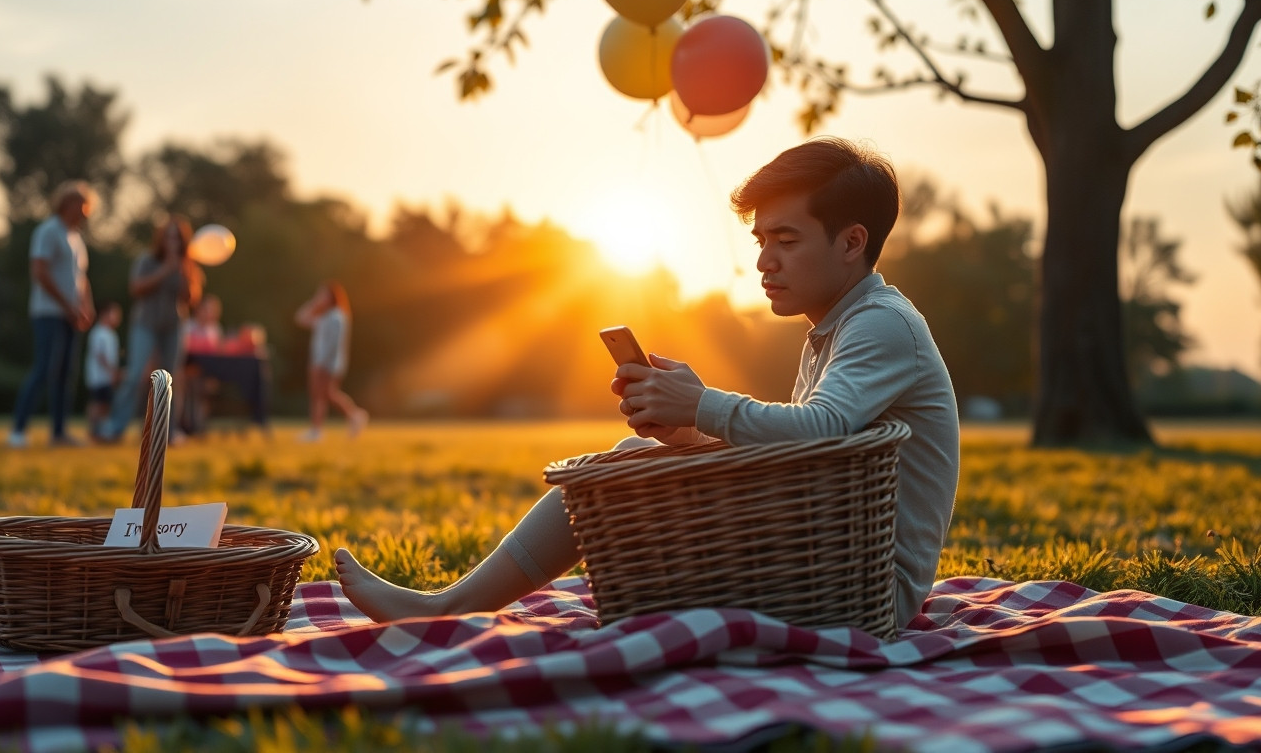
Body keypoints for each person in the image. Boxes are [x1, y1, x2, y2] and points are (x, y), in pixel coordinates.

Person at [334, 137, 961, 631]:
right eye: (760, 239)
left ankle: (452, 609)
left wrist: (704, 405)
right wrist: (690, 431)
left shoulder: (880, 325)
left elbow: (820, 432)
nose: (764, 260)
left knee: (628, 471)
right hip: (826, 563)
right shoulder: (836, 327)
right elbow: (803, 463)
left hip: (866, 590)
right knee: (636, 460)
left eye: (786, 239)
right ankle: (454, 605)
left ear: (853, 242)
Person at [98, 214, 203, 442]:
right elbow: (136, 288)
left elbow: (191, 299)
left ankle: (168, 431)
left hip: (174, 324)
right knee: (136, 375)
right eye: (169, 237)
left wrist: (182, 270)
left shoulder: (186, 265)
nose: (173, 242)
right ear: (161, 238)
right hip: (145, 324)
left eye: (177, 238)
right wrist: (166, 269)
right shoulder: (147, 260)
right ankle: (114, 428)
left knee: (172, 377)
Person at [9, 181, 97, 448]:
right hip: (48, 314)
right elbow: (40, 272)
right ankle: (18, 429)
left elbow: (80, 279)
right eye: (83, 206)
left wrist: (86, 307)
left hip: (70, 316)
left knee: (65, 375)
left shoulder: (76, 238)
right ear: (68, 204)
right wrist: (67, 305)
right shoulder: (48, 231)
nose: (86, 213)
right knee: (44, 370)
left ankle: (59, 432)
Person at [294, 281, 368, 441]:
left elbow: (333, 344)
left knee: (321, 395)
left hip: (327, 363)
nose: (320, 298)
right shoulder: (323, 316)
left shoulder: (336, 317)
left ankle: (317, 430)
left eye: (322, 295)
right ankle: (354, 415)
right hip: (319, 361)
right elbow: (300, 318)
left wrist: (322, 365)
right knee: (326, 394)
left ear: (332, 297)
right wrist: (314, 303)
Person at [85, 301, 123, 441]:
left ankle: (101, 431)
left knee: (105, 403)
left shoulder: (111, 334)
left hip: (107, 377)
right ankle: (94, 430)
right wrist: (112, 371)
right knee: (97, 403)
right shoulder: (98, 332)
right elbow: (100, 355)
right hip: (98, 377)